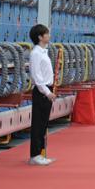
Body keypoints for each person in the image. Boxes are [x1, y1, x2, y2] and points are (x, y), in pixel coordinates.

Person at [29, 23, 56, 166]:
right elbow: (37, 77)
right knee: (38, 124)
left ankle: (40, 152)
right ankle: (35, 155)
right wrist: (47, 92)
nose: (49, 36)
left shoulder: (43, 52)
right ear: (40, 37)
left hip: (47, 89)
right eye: (47, 33)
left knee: (43, 123)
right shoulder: (35, 54)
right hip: (42, 91)